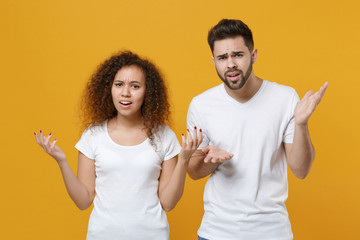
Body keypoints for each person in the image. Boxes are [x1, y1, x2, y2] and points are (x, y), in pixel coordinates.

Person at [34, 51, 203, 240]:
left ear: (148, 91)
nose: (125, 93)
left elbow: (168, 203)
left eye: (135, 86)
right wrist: (62, 161)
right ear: (109, 88)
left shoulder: (164, 136)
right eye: (119, 84)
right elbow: (83, 201)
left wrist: (184, 160)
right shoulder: (93, 135)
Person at [187, 19, 328, 240]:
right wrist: (209, 161)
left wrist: (301, 124)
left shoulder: (285, 98)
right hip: (216, 233)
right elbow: (193, 172)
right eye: (222, 58)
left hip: (272, 232)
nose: (230, 64)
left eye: (238, 55)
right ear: (213, 60)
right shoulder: (201, 105)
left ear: (253, 55)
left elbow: (301, 170)